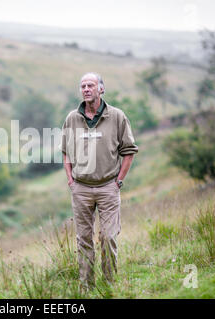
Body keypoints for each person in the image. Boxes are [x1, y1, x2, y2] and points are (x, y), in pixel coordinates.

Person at [60, 72, 138, 288]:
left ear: (101, 89)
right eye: (83, 86)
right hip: (81, 188)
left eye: (90, 85)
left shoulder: (117, 117)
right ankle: (86, 287)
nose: (86, 89)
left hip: (108, 188)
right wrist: (70, 181)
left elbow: (129, 151)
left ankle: (110, 285)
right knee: (83, 240)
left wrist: (118, 181)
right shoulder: (72, 118)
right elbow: (66, 152)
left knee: (108, 237)